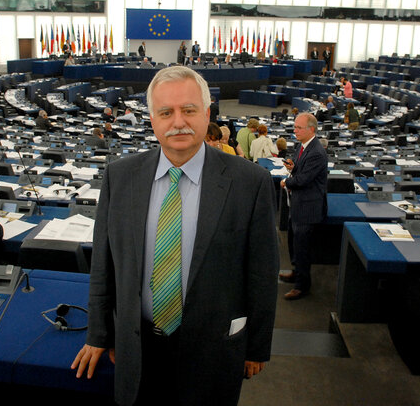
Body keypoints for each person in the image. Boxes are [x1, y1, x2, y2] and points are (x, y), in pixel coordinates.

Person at [71, 66, 278, 406]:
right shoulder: (119, 177)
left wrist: (257, 346)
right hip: (137, 345)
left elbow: (262, 274)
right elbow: (104, 266)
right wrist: (98, 333)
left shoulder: (249, 182)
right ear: (152, 118)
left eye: (189, 110)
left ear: (207, 113)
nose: (178, 121)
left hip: (213, 349)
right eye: (166, 112)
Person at [279, 113, 328, 300]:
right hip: (298, 205)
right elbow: (302, 170)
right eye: (295, 127)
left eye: (299, 128)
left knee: (303, 248)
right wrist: (293, 167)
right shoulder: (303, 145)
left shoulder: (316, 151)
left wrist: (286, 182)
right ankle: (295, 271)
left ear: (311, 129)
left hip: (308, 209)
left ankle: (302, 286)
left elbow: (305, 179)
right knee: (294, 242)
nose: (295, 130)